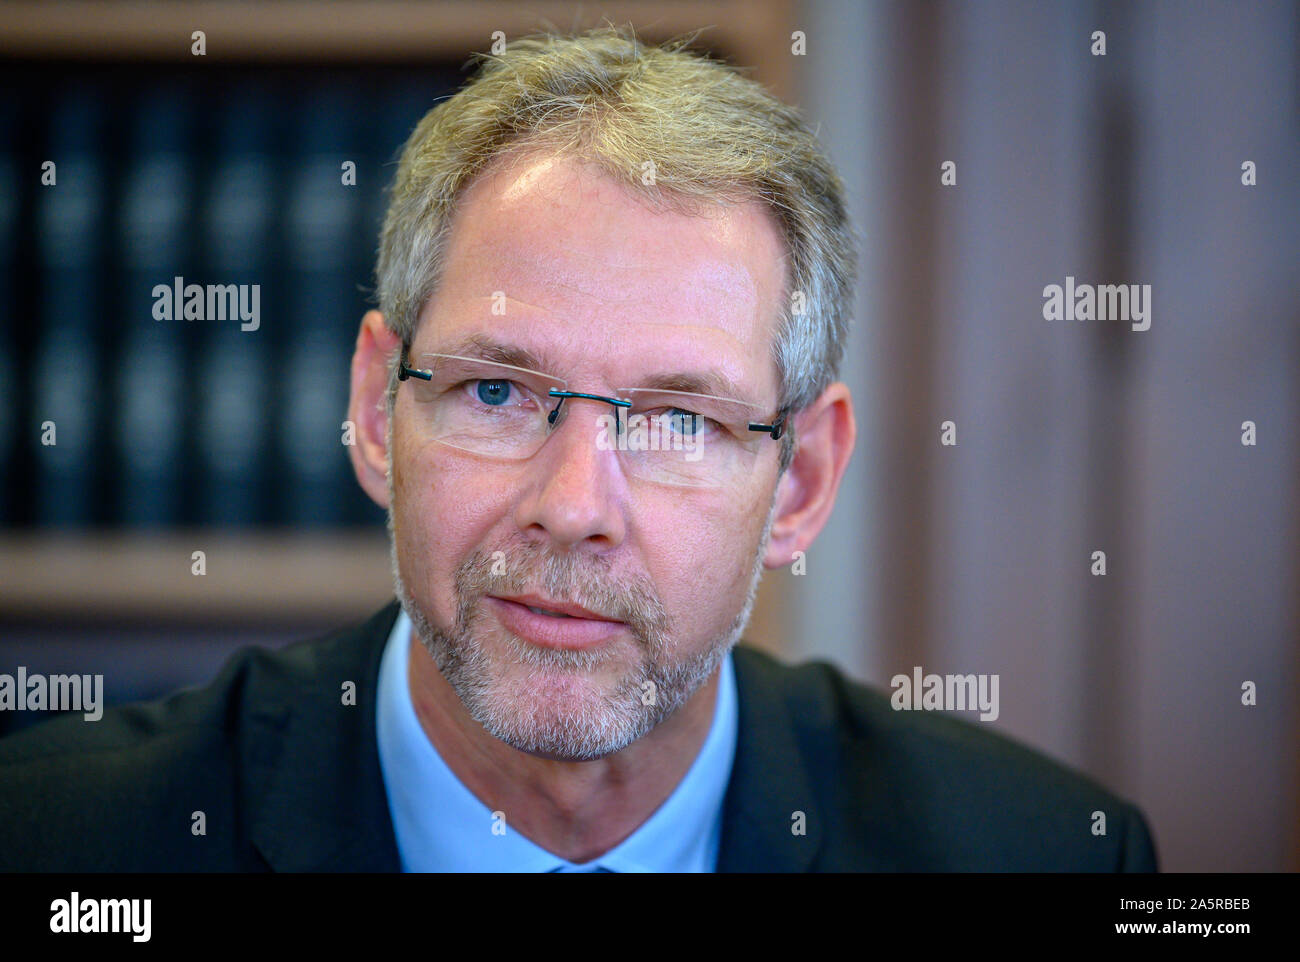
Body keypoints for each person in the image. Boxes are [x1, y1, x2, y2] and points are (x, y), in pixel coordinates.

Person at [0, 27, 1156, 872]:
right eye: (497, 389)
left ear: (800, 480)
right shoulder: (60, 845)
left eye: (678, 419)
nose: (573, 505)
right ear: (371, 411)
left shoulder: (1044, 856)